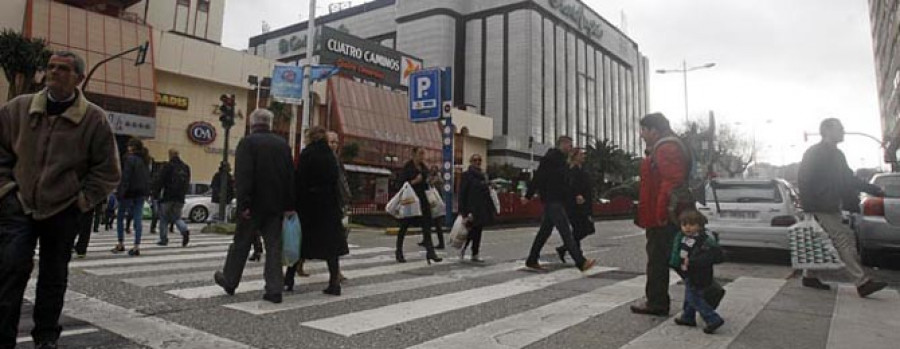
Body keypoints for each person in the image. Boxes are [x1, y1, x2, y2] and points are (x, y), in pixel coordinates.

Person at [0, 51, 120, 349]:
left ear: (79, 78)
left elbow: (107, 171)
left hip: (64, 209)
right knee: (9, 270)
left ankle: (46, 338)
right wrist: (6, 191)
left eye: (63, 69)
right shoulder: (18, 108)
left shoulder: (94, 119)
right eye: (51, 67)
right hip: (19, 205)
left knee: (53, 277)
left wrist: (81, 201)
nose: (54, 72)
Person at [798, 118, 888, 297]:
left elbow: (849, 179)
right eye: (839, 128)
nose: (843, 131)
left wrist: (875, 190)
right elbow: (804, 179)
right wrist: (808, 206)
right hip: (819, 206)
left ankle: (809, 276)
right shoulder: (814, 152)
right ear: (827, 131)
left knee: (817, 241)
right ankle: (861, 282)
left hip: (830, 205)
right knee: (843, 240)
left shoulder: (838, 155)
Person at [214, 109, 295, 304]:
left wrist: (244, 204)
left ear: (252, 124)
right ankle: (274, 289)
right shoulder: (283, 145)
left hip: (253, 205)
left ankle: (230, 280)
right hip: (276, 206)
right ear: (270, 124)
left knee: (241, 243)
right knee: (274, 247)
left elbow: (244, 177)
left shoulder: (247, 143)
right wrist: (289, 205)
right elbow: (290, 177)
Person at [631, 112, 689, 316]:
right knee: (669, 257)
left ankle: (657, 302)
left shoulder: (666, 147)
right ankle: (658, 300)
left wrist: (660, 214)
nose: (641, 135)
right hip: (660, 213)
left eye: (644, 130)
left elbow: (671, 182)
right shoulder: (664, 146)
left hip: (663, 216)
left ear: (654, 130)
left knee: (660, 259)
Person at [284, 127, 349, 295]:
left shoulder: (307, 154)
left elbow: (299, 180)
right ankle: (334, 282)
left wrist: (292, 203)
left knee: (299, 243)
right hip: (329, 206)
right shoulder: (331, 156)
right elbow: (336, 181)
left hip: (308, 206)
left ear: (310, 138)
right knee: (331, 248)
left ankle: (288, 279)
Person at [521, 136, 596, 272]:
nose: (571, 148)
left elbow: (566, 183)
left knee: (544, 232)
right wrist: (528, 195)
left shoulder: (563, 161)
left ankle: (532, 259)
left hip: (558, 200)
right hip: (553, 200)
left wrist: (574, 196)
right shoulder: (550, 159)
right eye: (569, 144)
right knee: (566, 232)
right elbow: (538, 177)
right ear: (562, 144)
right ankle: (581, 262)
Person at [669, 210, 725, 334]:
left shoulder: (703, 240)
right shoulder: (684, 237)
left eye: (691, 224)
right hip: (688, 272)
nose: (687, 227)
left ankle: (712, 318)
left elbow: (711, 257)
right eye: (684, 224)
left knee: (694, 297)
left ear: (699, 225)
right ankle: (687, 317)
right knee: (690, 295)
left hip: (699, 273)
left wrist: (693, 262)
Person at [395, 147, 443, 264]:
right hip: (411, 201)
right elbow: (400, 184)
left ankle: (430, 252)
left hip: (422, 200)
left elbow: (426, 183)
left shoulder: (423, 167)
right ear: (414, 154)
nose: (422, 156)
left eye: (423, 154)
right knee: (404, 227)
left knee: (427, 226)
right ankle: (399, 251)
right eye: (420, 153)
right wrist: (414, 181)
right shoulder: (408, 167)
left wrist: (431, 181)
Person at [111, 138, 151, 256]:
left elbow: (126, 177)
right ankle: (136, 246)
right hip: (141, 192)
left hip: (129, 192)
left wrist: (120, 192)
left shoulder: (129, 159)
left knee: (120, 217)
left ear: (132, 147)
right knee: (138, 218)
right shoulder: (145, 160)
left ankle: (120, 243)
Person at [556, 148, 595, 263]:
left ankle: (564, 248)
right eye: (581, 154)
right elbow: (567, 187)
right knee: (580, 229)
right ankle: (579, 257)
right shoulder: (570, 170)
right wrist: (576, 195)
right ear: (575, 156)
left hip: (584, 203)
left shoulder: (582, 169)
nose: (584, 156)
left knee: (585, 229)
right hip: (574, 205)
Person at [458, 154, 495, 262]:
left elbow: (485, 192)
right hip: (471, 208)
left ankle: (475, 253)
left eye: (479, 160)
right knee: (470, 230)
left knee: (478, 230)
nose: (477, 162)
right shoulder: (467, 175)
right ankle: (463, 248)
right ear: (471, 161)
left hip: (481, 208)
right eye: (475, 160)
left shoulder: (483, 175)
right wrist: (463, 210)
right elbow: (463, 193)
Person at [155, 149, 192, 247]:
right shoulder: (186, 167)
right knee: (176, 217)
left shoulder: (167, 166)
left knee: (163, 218)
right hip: (180, 198)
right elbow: (187, 183)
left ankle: (163, 239)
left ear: (170, 155)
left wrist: (156, 193)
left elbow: (160, 181)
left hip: (168, 196)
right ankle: (184, 230)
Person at [418, 164, 446, 249]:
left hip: (436, 203)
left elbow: (438, 185)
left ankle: (441, 243)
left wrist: (433, 180)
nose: (433, 170)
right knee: (426, 223)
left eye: (435, 169)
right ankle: (425, 240)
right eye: (432, 169)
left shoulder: (438, 178)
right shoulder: (429, 177)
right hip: (430, 202)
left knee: (438, 225)